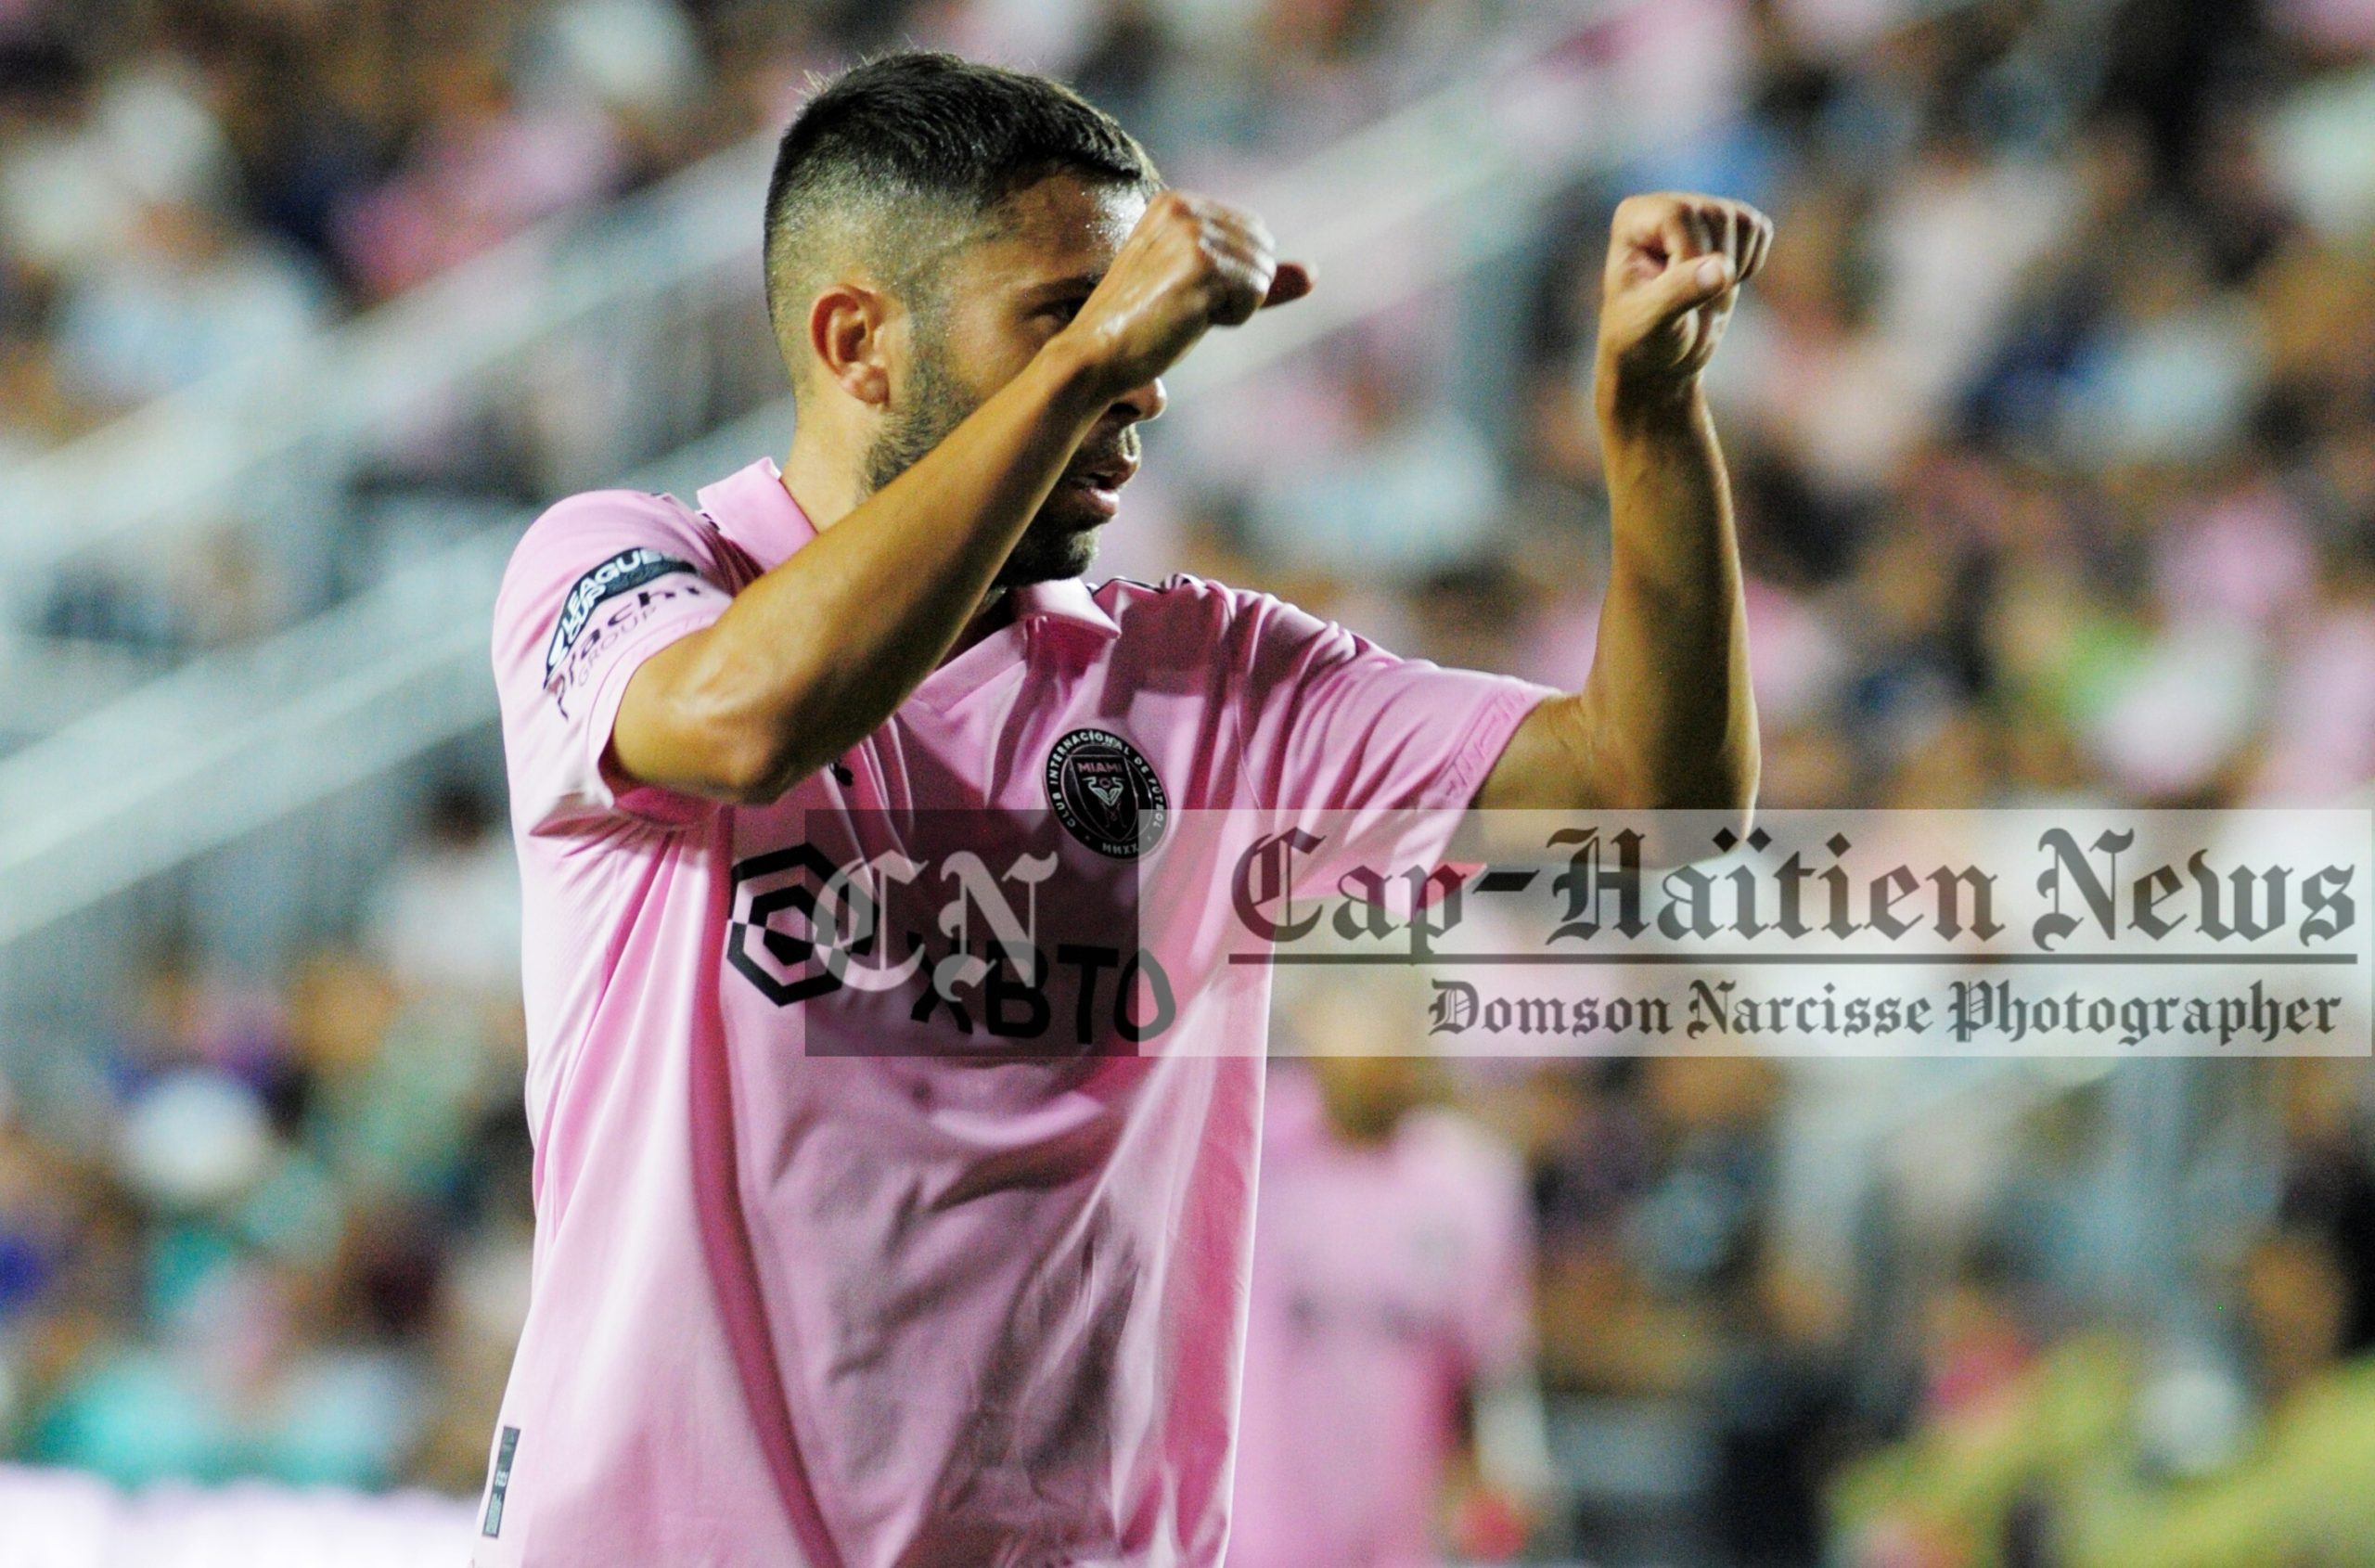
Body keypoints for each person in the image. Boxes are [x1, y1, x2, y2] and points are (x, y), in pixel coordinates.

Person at [481, 50, 1765, 1568]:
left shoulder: (1206, 684)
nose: (1147, 373)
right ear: (856, 341)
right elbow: (740, 722)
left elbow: (1651, 799)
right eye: (1070, 312)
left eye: (1140, 322)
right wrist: (1081, 374)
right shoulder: (633, 575)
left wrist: (1656, 425)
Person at [1226, 1031, 1549, 1568]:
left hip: (1402, 1518)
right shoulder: (1250, 1151)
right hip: (1265, 1518)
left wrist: (1512, 1469)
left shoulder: (1466, 1179)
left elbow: (1493, 1362)